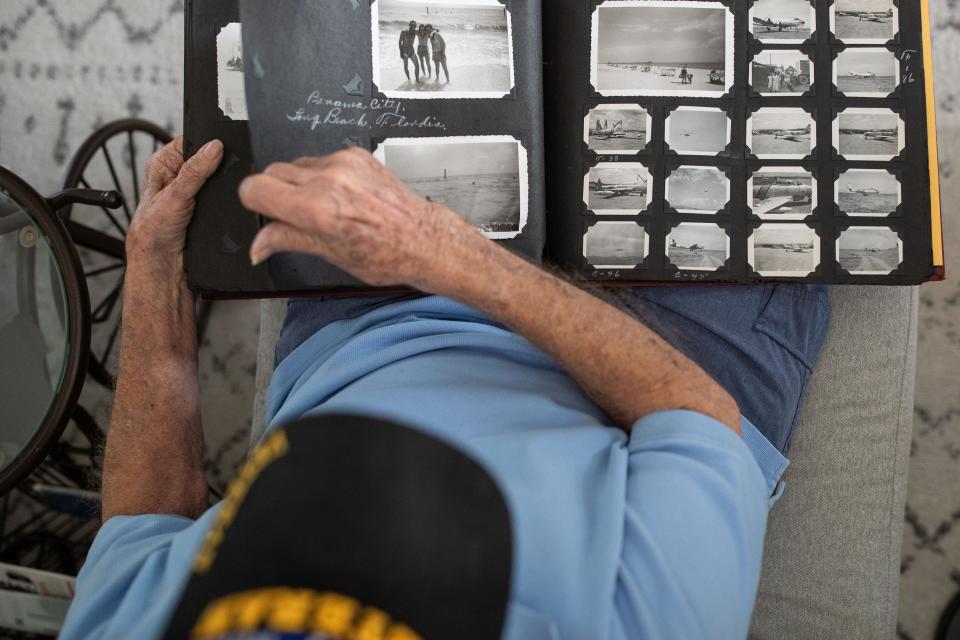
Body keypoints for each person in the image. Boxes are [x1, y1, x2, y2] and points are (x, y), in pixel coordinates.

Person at [58, 139, 830, 639]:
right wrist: (438, 249)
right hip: (674, 361)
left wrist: (153, 263)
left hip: (367, 331)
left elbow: (143, 525)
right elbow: (694, 415)